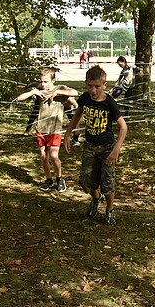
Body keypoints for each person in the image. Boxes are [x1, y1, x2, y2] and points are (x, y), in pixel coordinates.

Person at [64, 65, 127, 225]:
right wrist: (68, 134)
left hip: (107, 147)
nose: (93, 90)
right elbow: (77, 114)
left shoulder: (109, 103)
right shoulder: (85, 99)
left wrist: (116, 149)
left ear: (104, 85)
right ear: (86, 84)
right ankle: (96, 199)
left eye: (97, 86)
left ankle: (110, 209)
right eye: (90, 86)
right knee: (87, 179)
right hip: (90, 145)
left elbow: (123, 127)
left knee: (107, 180)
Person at [17, 67, 78, 192]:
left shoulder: (60, 89)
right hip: (41, 129)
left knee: (54, 156)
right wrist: (32, 92)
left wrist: (57, 93)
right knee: (44, 156)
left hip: (55, 129)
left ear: (53, 80)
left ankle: (59, 178)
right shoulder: (39, 91)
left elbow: (75, 92)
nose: (43, 84)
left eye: (46, 82)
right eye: (41, 81)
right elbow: (19, 99)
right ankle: (48, 179)